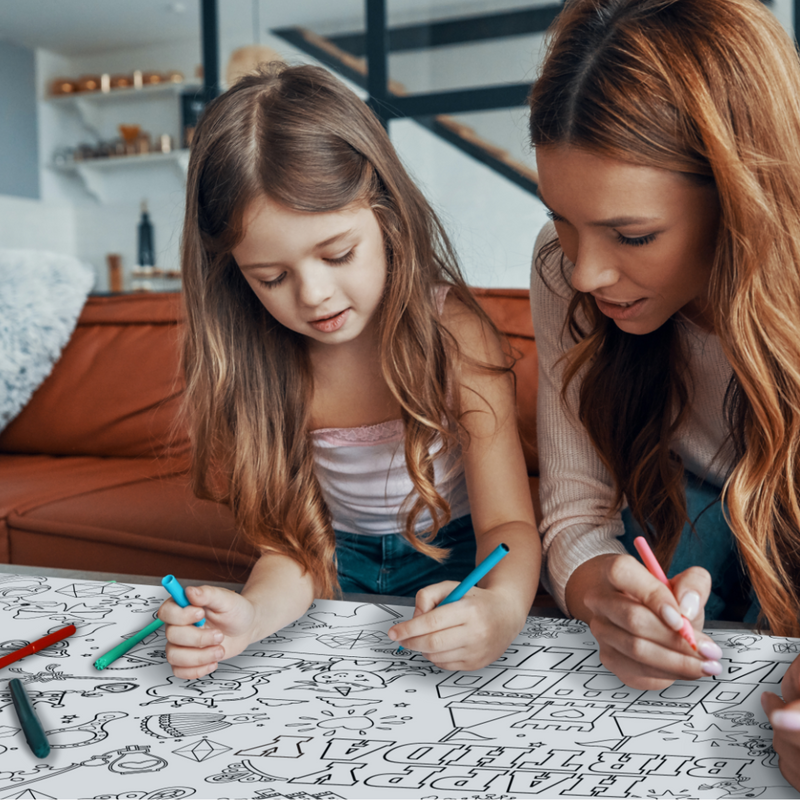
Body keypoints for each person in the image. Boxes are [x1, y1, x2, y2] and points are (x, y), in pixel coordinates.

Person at [158, 63, 540, 679]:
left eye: (338, 254)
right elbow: (295, 553)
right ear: (235, 274)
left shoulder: (453, 333)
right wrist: (252, 616)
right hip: (334, 570)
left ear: (386, 216)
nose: (312, 296)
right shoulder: (260, 359)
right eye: (272, 278)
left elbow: (510, 526)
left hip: (461, 563)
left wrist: (501, 608)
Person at [528, 0, 800, 786]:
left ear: (739, 198)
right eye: (562, 220)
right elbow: (577, 515)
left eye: (633, 235)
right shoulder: (561, 271)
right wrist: (595, 594)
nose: (584, 273)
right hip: (676, 508)